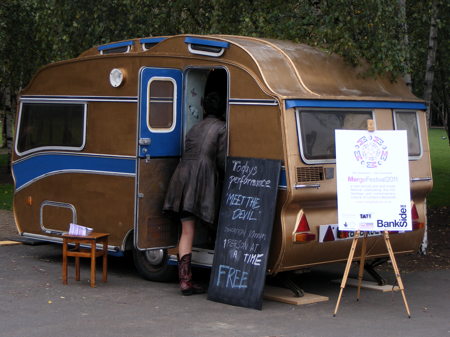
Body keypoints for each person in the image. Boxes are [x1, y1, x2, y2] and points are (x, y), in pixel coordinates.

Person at [163, 91, 226, 295]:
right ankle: (220, 277)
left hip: (181, 178)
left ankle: (185, 281)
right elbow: (223, 161)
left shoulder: (194, 127)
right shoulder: (222, 128)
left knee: (187, 230)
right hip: (202, 179)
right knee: (213, 223)